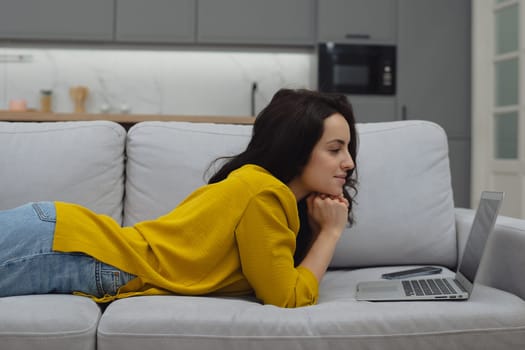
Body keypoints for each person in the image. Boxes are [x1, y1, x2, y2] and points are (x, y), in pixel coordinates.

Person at [0, 88, 358, 308]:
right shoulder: (264, 195)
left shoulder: (264, 192)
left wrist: (314, 227)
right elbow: (287, 298)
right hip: (68, 247)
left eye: (347, 148)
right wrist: (329, 233)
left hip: (66, 241)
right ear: (296, 150)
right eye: (335, 149)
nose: (349, 162)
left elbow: (282, 283)